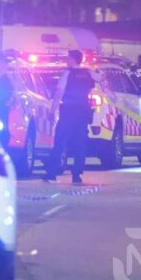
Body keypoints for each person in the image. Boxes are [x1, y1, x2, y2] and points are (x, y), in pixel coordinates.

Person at [46, 50, 95, 184]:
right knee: (80, 144)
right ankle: (76, 175)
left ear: (73, 59)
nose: (66, 59)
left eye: (68, 57)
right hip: (82, 112)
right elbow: (96, 83)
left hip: (68, 111)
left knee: (60, 142)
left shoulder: (67, 73)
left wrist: (53, 110)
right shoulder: (87, 73)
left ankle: (51, 174)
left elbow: (59, 92)